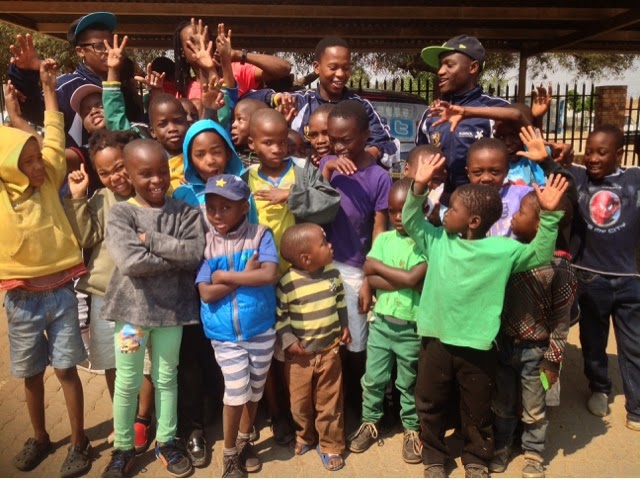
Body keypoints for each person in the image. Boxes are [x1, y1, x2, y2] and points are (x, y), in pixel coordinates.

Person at [403, 151, 569, 478]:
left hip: (478, 346)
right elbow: (411, 220)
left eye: (453, 209)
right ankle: (433, 456)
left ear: (474, 222)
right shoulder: (437, 240)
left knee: (477, 408)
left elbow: (540, 254)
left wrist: (549, 216)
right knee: (430, 403)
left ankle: (476, 458)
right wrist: (418, 186)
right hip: (435, 341)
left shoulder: (502, 251)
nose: (445, 212)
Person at [0, 59, 93, 477]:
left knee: (67, 369)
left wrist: (49, 90)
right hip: (20, 298)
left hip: (60, 294)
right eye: (28, 162)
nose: (40, 167)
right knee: (30, 373)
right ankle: (39, 436)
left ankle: (79, 441)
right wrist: (11, 114)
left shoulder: (51, 176)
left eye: (39, 158)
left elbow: (54, 135)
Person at [100, 139, 206, 478]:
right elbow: (130, 262)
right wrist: (175, 258)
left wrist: (153, 242)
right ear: (129, 175)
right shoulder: (122, 213)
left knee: (166, 378)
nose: (157, 180)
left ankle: (166, 440)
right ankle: (123, 447)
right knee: (127, 381)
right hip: (131, 316)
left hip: (171, 314)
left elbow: (195, 254)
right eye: (146, 174)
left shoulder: (185, 212)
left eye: (162, 171)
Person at [196, 174, 279, 477]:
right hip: (224, 334)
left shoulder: (260, 235)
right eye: (211, 208)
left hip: (260, 328)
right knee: (235, 392)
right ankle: (229, 453)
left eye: (225, 207)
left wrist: (226, 276)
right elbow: (206, 293)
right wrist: (245, 275)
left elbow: (268, 274)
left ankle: (245, 440)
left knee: (255, 391)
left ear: (244, 208)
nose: (217, 215)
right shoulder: (206, 244)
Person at [490, 192, 577, 478]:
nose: (513, 217)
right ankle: (502, 444)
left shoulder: (560, 267)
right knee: (503, 402)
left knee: (534, 406)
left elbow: (561, 320)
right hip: (504, 345)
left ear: (541, 223)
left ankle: (533, 452)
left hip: (536, 351)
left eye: (520, 213)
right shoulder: (512, 254)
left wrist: (553, 359)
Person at [172, 119, 243, 466]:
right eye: (200, 154)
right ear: (189, 159)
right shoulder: (183, 195)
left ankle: (226, 415)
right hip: (194, 291)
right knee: (192, 361)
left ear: (228, 152)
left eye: (217, 151)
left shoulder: (243, 188)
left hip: (236, 288)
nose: (210, 160)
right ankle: (193, 429)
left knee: (225, 358)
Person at [319, 100, 393, 416]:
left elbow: (379, 228)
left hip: (355, 268)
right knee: (328, 339)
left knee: (356, 341)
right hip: (323, 267)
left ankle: (357, 406)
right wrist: (327, 170)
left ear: (365, 136)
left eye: (346, 139)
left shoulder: (379, 177)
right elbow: (314, 209)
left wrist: (369, 277)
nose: (338, 147)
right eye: (333, 139)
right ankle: (334, 403)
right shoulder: (327, 165)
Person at [63, 129, 137, 440]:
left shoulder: (147, 196)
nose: (115, 177)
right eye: (104, 173)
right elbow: (86, 237)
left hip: (138, 301)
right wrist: (78, 197)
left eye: (120, 167)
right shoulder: (99, 199)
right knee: (111, 361)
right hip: (104, 298)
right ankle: (122, 417)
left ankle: (141, 419)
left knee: (138, 361)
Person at [348, 178, 427, 464]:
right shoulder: (383, 240)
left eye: (404, 210)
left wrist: (384, 272)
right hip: (381, 324)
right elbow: (370, 274)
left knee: (409, 382)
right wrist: (406, 279)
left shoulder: (426, 242)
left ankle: (411, 429)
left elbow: (420, 280)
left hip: (411, 329)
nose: (397, 217)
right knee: (374, 379)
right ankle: (370, 421)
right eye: (392, 211)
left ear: (421, 209)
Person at [568, 125, 640, 431]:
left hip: (630, 280)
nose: (593, 158)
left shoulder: (634, 179)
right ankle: (599, 388)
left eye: (602, 152)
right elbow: (547, 164)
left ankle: (636, 406)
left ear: (619, 154)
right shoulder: (578, 177)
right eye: (589, 151)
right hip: (590, 279)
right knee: (593, 341)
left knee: (634, 344)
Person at [246, 37, 398, 168]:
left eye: (346, 68)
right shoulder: (299, 102)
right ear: (317, 67)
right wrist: (275, 98)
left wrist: (368, 154)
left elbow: (389, 144)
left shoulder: (361, 107)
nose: (340, 74)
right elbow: (246, 101)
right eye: (333, 67)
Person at [276, 223, 351, 471]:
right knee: (299, 403)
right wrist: (289, 342)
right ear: (306, 258)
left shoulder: (333, 274)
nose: (330, 245)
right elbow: (281, 317)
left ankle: (331, 444)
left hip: (330, 351)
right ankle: (304, 435)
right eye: (323, 243)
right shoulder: (288, 282)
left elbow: (340, 302)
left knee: (330, 401)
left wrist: (344, 326)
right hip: (300, 357)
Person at [244, 108, 341, 274]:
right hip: (260, 269)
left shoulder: (302, 170)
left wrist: (291, 195)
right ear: (252, 143)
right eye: (268, 143)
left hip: (300, 270)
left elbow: (331, 203)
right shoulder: (245, 178)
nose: (276, 149)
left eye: (282, 142)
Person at [416, 35, 509, 197]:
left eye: (449, 65)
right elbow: (420, 157)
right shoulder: (431, 114)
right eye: (440, 65)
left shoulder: (497, 109)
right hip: (439, 205)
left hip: (486, 202)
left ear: (472, 67)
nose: (440, 71)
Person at [8, 12, 117, 148]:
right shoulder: (65, 88)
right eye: (99, 46)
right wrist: (25, 74)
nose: (108, 51)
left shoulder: (123, 84)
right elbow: (35, 111)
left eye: (111, 44)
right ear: (80, 51)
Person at [174, 18, 291, 100]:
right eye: (192, 42)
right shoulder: (183, 91)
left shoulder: (236, 69)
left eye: (205, 39)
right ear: (182, 52)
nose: (201, 45)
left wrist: (237, 55)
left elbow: (284, 68)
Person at [231, 98, 269, 166]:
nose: (233, 125)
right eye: (233, 120)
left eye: (240, 119)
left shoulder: (269, 156)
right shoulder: (232, 153)